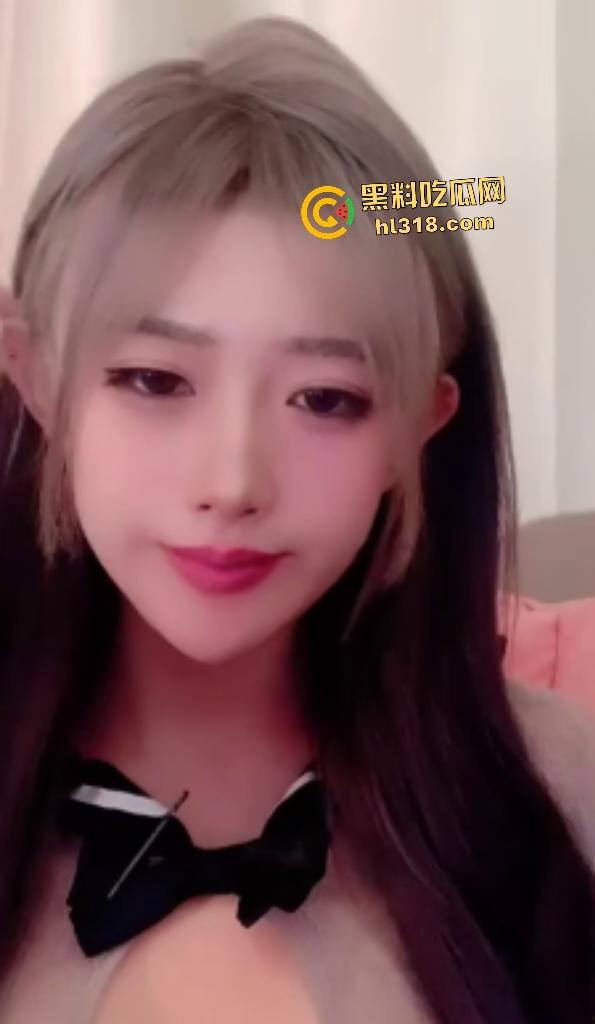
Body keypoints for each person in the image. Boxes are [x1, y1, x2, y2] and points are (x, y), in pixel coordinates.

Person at [0, 15, 593, 1024]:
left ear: (417, 427)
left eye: (325, 398)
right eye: (155, 379)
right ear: (39, 382)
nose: (233, 481)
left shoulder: (560, 793)